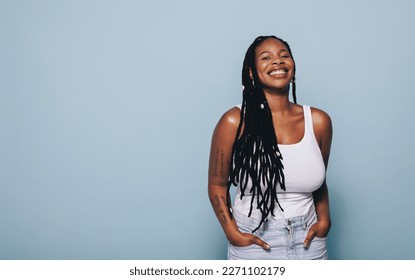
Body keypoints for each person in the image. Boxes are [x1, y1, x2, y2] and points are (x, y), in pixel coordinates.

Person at [208, 35, 332, 260]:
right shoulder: (234, 121)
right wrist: (232, 232)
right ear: (252, 73)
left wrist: (324, 221)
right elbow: (217, 185)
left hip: (309, 240)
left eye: (284, 55)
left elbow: (319, 183)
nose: (277, 61)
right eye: (266, 57)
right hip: (255, 238)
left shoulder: (318, 121)